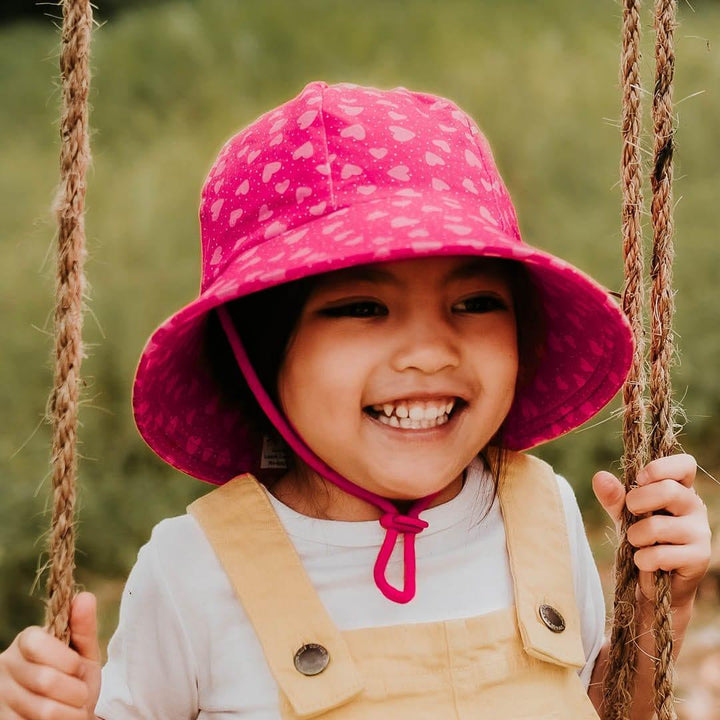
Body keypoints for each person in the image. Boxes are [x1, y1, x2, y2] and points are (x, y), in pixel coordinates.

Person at [0, 81, 711, 720]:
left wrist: (658, 608)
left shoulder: (540, 511)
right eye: (362, 308)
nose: (430, 352)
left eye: (474, 301)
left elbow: (607, 710)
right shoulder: (195, 570)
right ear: (260, 353)